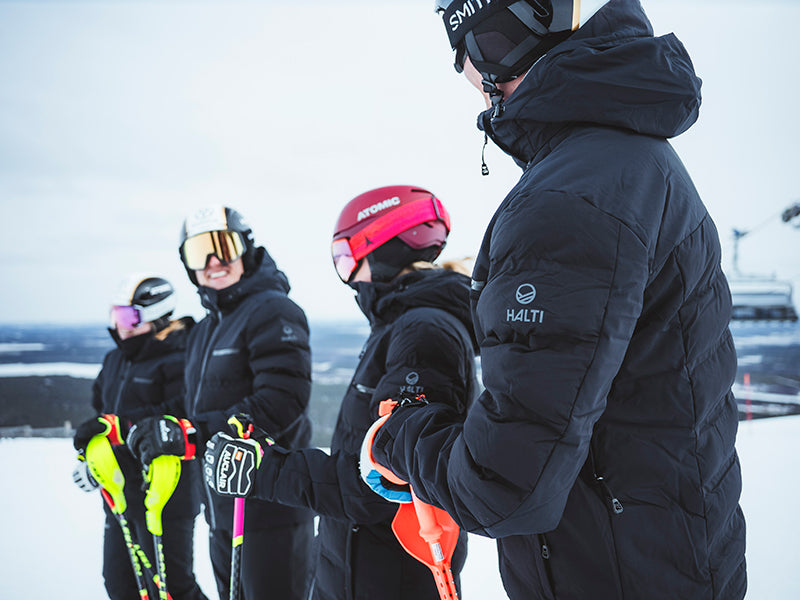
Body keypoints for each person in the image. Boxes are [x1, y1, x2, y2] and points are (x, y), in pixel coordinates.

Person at [360, 2, 747, 599]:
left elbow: (502, 487)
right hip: (672, 560)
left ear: (501, 42)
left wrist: (398, 435)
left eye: (468, 57)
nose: (471, 82)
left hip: (608, 574)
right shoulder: (635, 161)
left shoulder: (567, 198)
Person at [202, 185, 478, 600]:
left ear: (382, 247)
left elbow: (382, 486)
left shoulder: (422, 334)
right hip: (355, 565)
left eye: (346, 258)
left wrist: (266, 470)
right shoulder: (399, 327)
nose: (348, 276)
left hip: (390, 574)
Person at [125, 206, 315, 600]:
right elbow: (193, 403)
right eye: (199, 253)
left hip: (272, 507)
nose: (213, 263)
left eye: (223, 248)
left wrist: (190, 434)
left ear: (245, 249)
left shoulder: (274, 310)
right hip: (222, 509)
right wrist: (139, 424)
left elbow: (281, 400)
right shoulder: (207, 327)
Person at [72, 275, 208, 600]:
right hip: (121, 492)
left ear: (155, 314)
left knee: (170, 586)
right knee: (120, 583)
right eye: (116, 316)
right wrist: (93, 460)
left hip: (167, 492)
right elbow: (101, 415)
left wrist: (121, 424)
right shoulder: (115, 360)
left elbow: (182, 411)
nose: (120, 326)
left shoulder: (181, 356)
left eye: (129, 317)